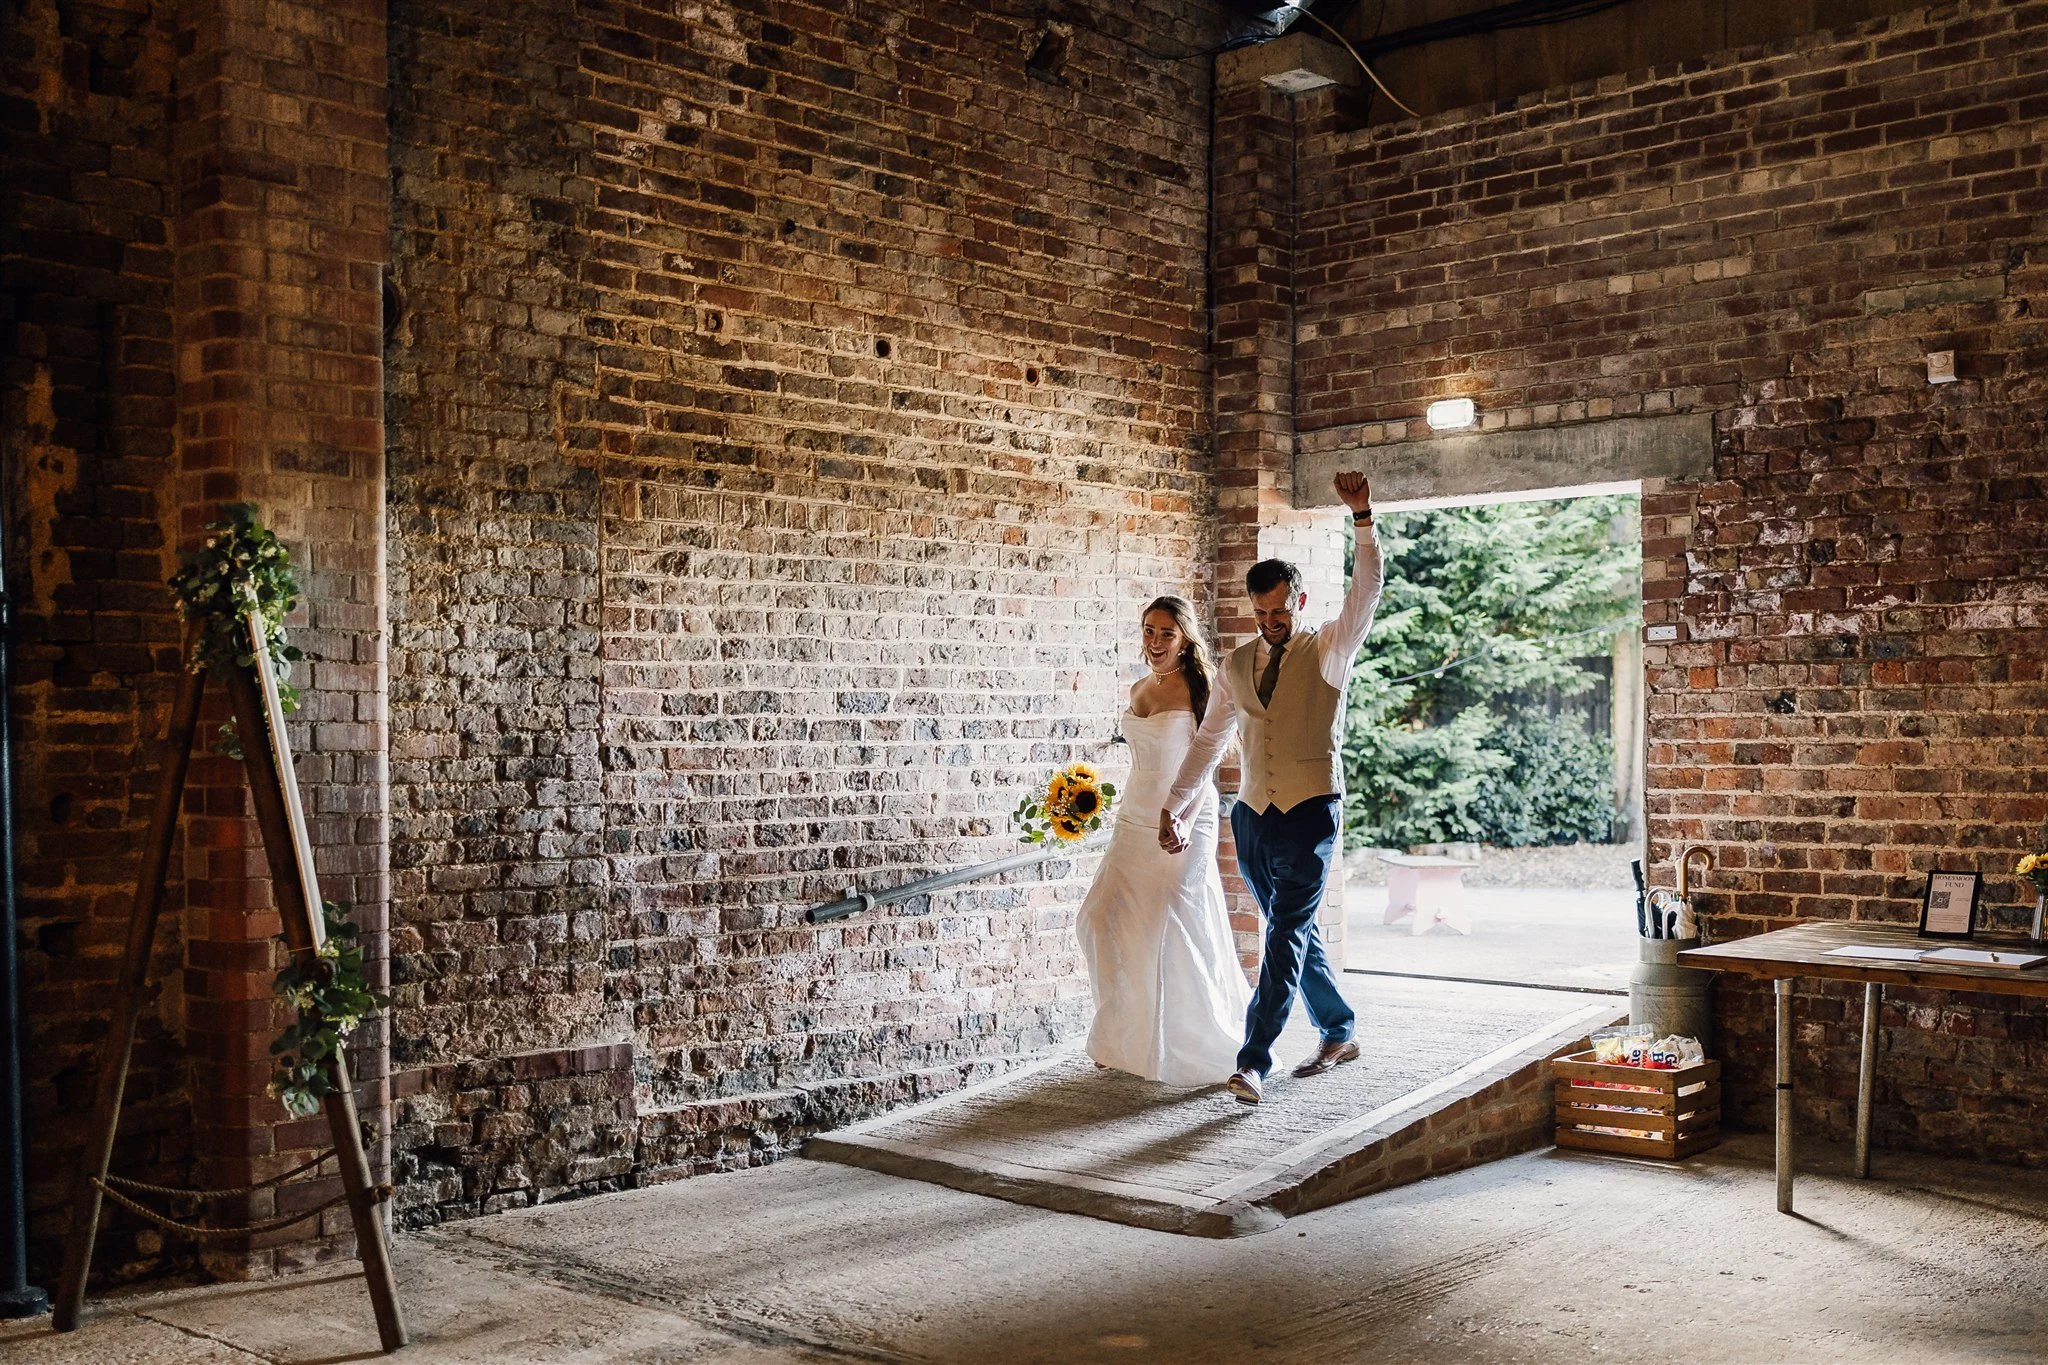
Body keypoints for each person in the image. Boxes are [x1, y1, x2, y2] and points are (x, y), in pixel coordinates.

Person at [1158, 472, 1383, 1104]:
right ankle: (1338, 1028)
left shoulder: (1330, 650)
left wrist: (1362, 519)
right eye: (1261, 613)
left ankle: (1253, 1060)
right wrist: (1175, 806)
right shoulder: (1234, 665)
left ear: (1300, 603)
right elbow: (1207, 743)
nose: (1272, 621)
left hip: (1311, 814)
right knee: (1293, 928)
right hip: (1252, 819)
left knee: (1282, 934)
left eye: (1281, 610)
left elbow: (1367, 591)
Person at [1074, 596, 1251, 1084]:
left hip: (1186, 814)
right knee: (1100, 916)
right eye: (1149, 631)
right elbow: (1140, 760)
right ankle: (1122, 1035)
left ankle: (1195, 1041)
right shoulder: (1138, 688)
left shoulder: (1202, 688)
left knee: (1174, 920)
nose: (1155, 642)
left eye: (1166, 633)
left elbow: (1208, 760)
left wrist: (1185, 818)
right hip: (1135, 815)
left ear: (1185, 638)